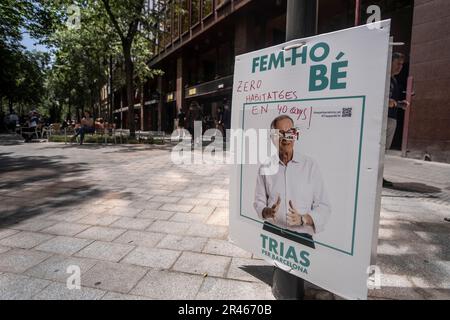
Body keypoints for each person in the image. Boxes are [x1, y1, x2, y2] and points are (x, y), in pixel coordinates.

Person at [253, 115, 332, 300]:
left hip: (301, 238)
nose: (286, 138)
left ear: (295, 135)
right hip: (273, 235)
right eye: (280, 133)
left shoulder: (310, 166)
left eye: (290, 132)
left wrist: (304, 218)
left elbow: (324, 206)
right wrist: (266, 211)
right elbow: (258, 202)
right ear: (273, 137)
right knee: (281, 287)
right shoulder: (265, 167)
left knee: (300, 288)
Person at [384, 53, 409, 187]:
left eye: (401, 65)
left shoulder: (394, 80)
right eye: (398, 63)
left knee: (384, 150)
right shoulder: (384, 77)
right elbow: (384, 100)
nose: (400, 67)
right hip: (383, 119)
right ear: (390, 62)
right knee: (379, 149)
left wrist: (399, 103)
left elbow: (391, 101)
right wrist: (393, 103)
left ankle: (379, 177)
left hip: (392, 118)